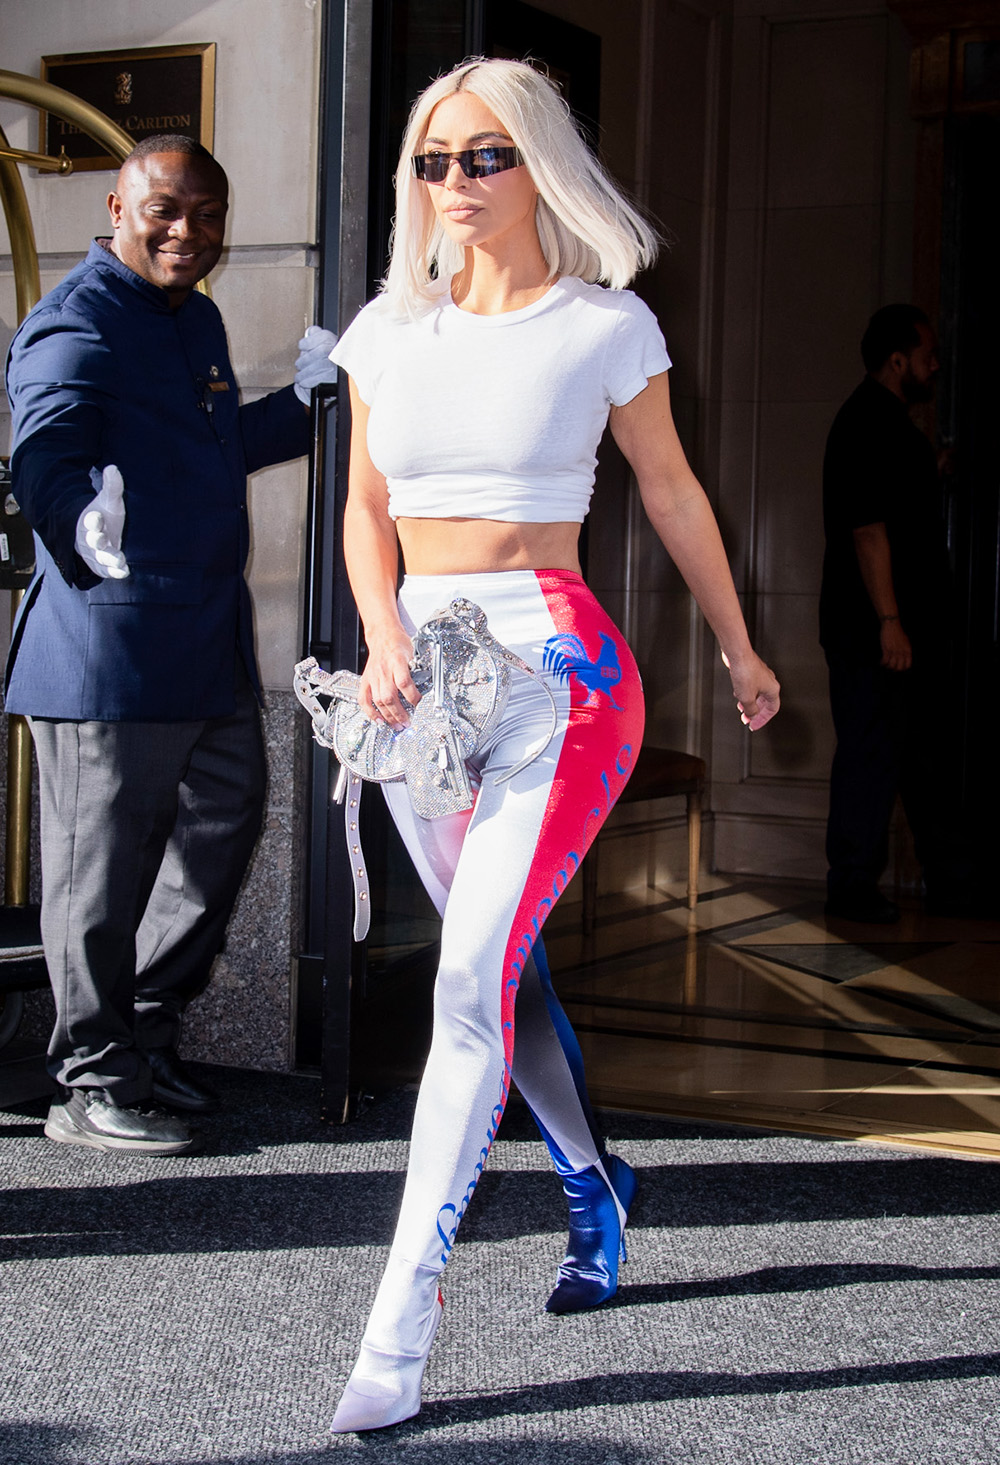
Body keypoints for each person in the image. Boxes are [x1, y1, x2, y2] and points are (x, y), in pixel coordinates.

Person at [325, 58, 779, 1433]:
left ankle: (395, 1337)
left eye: (484, 158)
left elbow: (675, 490)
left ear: (538, 169)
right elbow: (365, 510)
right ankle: (596, 1180)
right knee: (497, 969)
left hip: (563, 677)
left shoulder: (603, 326)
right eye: (431, 161)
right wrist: (380, 632)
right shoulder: (384, 333)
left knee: (468, 974)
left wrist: (740, 644)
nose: (455, 184)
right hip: (422, 694)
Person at [4, 135, 337, 1155]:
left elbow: (214, 445)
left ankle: (143, 1034)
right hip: (109, 651)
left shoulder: (194, 318)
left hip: (201, 640)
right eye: (164, 210)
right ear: (115, 207)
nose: (186, 232)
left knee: (221, 829)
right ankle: (88, 1079)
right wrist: (71, 511)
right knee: (96, 878)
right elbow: (46, 437)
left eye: (206, 215)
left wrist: (309, 402)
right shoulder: (77, 318)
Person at [820, 304, 958, 923]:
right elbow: (868, 530)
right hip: (873, 628)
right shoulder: (866, 423)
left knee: (909, 751)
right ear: (897, 360)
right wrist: (890, 621)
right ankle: (851, 884)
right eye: (926, 353)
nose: (935, 363)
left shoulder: (890, 425)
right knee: (871, 751)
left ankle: (944, 876)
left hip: (889, 626)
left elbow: (893, 508)